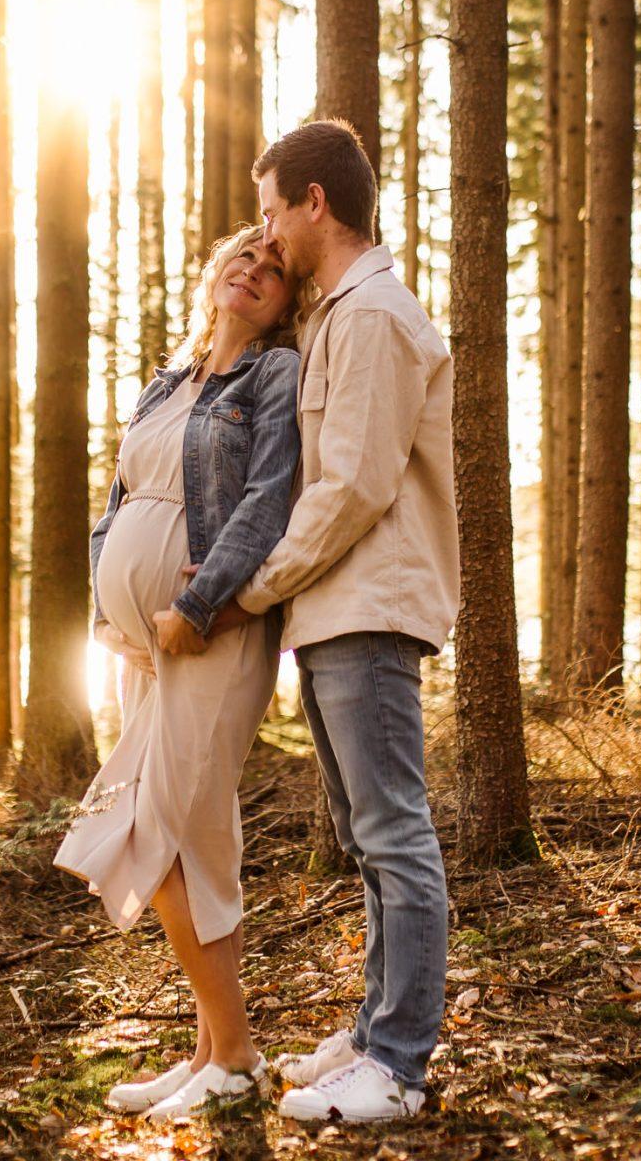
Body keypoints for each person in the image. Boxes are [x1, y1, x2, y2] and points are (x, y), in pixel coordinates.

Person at [179, 120, 460, 1121]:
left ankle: (400, 1061)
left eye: (270, 209)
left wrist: (245, 591)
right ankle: (379, 1020)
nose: (265, 231)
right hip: (336, 608)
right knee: (364, 827)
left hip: (370, 604)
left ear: (314, 203)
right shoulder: (338, 313)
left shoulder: (375, 313)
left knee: (393, 831)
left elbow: (352, 486)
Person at [52, 225, 313, 1123]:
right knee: (202, 844)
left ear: (286, 302)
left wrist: (194, 610)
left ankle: (236, 1053)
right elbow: (119, 504)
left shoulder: (274, 376)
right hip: (142, 648)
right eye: (244, 256)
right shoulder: (167, 384)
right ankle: (209, 1050)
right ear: (215, 274)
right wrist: (105, 615)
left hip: (210, 639)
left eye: (275, 269)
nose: (255, 270)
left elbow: (267, 498)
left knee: (155, 832)